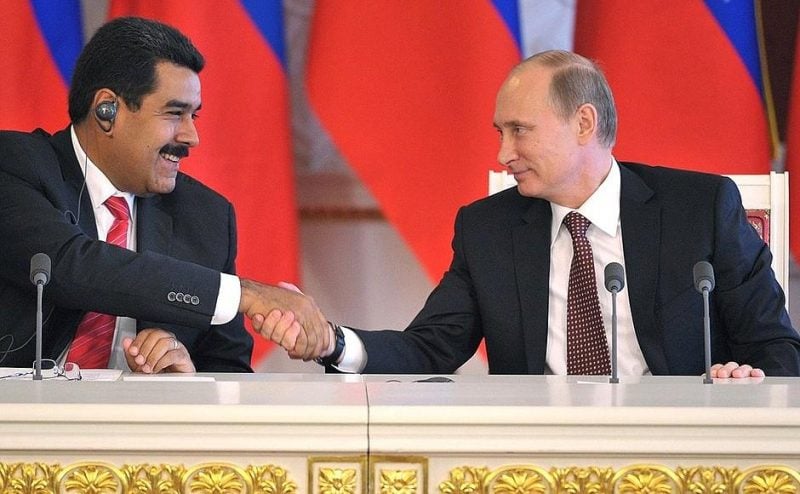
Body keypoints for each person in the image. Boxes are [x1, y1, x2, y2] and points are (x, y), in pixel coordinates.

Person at [260, 50, 800, 378]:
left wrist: (745, 378)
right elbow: (429, 348)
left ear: (584, 124)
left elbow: (776, 347)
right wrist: (333, 342)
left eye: (520, 130)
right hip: (536, 457)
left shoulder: (700, 209)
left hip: (679, 451)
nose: (503, 153)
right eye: (500, 132)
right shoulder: (487, 229)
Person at [0, 17, 329, 374]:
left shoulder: (206, 217)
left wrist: (187, 377)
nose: (191, 137)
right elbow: (72, 266)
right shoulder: (13, 166)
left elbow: (228, 373)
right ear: (107, 111)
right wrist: (244, 294)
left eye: (193, 116)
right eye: (174, 113)